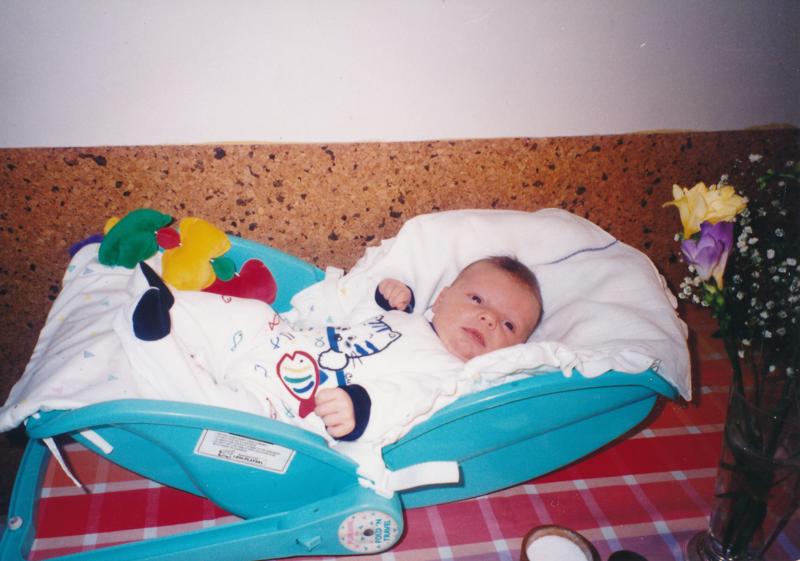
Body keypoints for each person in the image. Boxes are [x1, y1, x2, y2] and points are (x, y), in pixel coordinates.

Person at [313, 255, 543, 441]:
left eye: (509, 325)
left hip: (318, 405)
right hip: (303, 342)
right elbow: (359, 323)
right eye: (476, 299)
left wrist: (361, 408)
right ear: (441, 299)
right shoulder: (408, 319)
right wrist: (383, 299)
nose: (489, 318)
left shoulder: (456, 381)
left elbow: (408, 402)